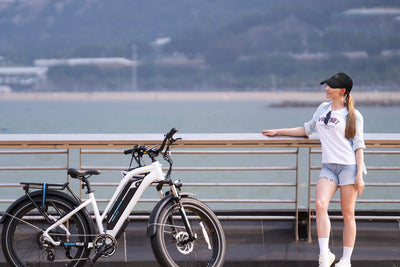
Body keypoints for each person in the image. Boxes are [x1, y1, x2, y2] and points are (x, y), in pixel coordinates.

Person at [262, 72, 366, 267]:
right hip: (328, 166)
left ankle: (345, 260)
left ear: (342, 91)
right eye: (326, 85)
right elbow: (306, 129)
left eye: (331, 86)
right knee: (319, 204)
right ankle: (325, 255)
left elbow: (359, 146)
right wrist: (279, 131)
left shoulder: (353, 115)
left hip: (348, 168)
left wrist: (359, 175)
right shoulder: (322, 109)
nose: (326, 88)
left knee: (348, 213)